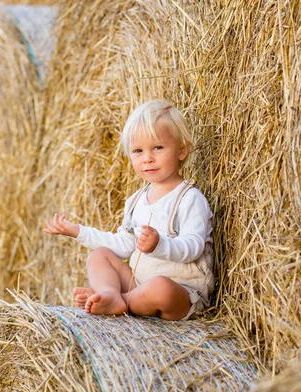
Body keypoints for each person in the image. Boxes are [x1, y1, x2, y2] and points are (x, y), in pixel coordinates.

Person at [43, 99, 214, 321]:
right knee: (99, 256)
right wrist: (77, 231)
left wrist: (159, 245)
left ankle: (121, 300)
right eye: (138, 151)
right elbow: (124, 246)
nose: (147, 158)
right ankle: (111, 294)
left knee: (160, 288)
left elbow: (194, 247)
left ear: (182, 150)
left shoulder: (190, 198)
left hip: (181, 292)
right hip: (139, 282)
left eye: (158, 148)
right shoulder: (136, 201)